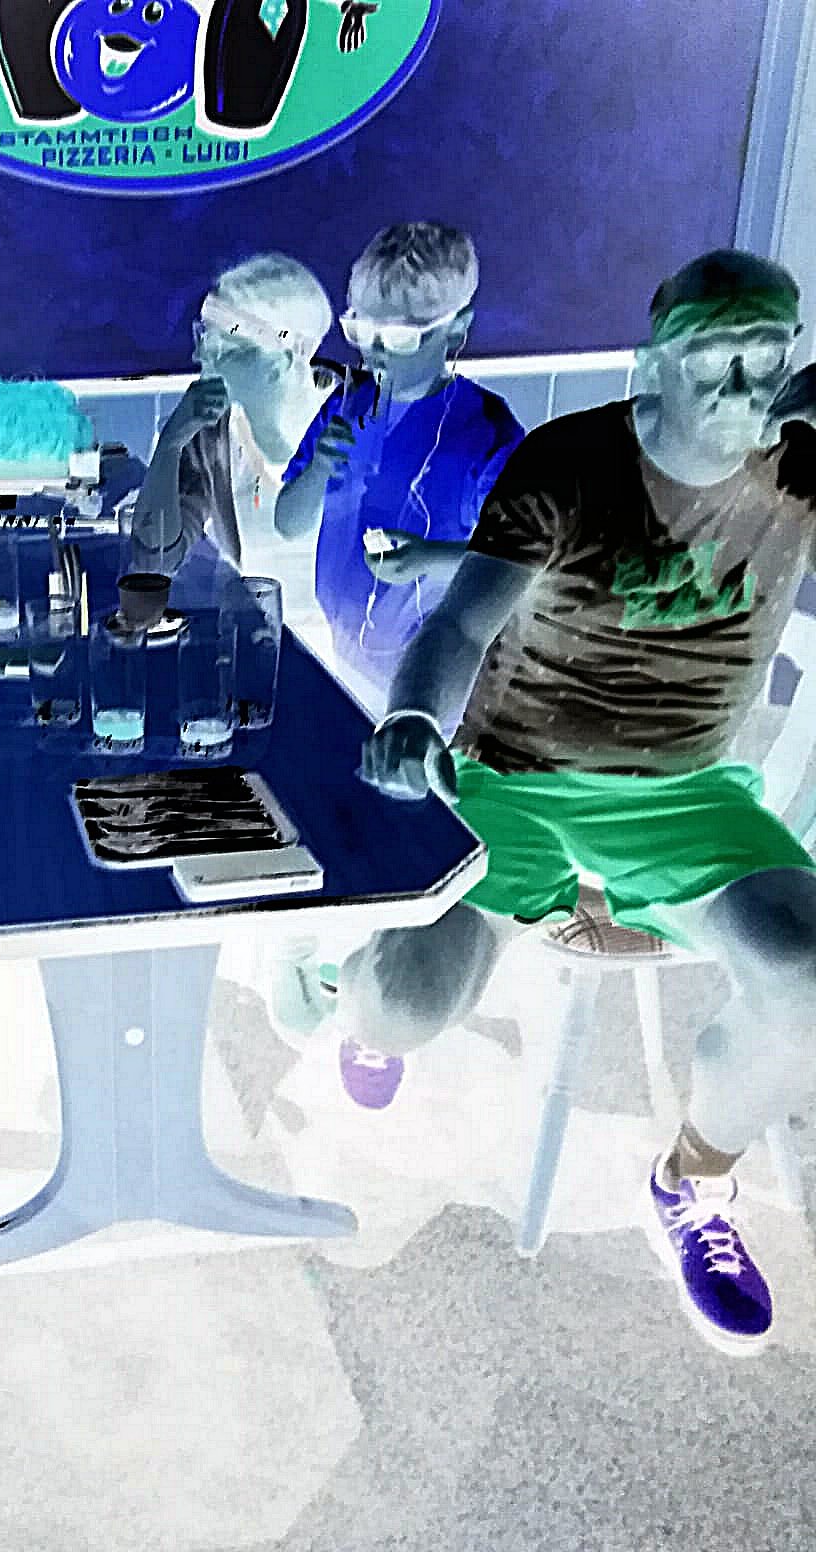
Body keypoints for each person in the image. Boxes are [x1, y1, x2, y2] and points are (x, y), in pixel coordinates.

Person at [339, 250, 816, 1357]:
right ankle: (340, 980)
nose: (739, 388)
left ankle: (691, 1183)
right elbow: (459, 626)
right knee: (401, 1007)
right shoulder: (568, 461)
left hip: (685, 791)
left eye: (764, 359)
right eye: (712, 358)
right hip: (513, 769)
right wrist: (412, 720)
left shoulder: (795, 475)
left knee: (806, 968)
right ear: (653, 365)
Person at [275, 222, 525, 716]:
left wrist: (429, 557)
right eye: (361, 332)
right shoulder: (347, 406)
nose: (376, 353)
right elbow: (288, 523)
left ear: (456, 329)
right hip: (346, 656)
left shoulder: (487, 432)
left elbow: (515, 563)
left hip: (437, 674)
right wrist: (318, 468)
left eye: (399, 338)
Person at [129, 252, 337, 616]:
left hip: (350, 645)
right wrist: (170, 443)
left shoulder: (355, 418)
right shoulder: (211, 431)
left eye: (221, 346)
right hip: (261, 634)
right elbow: (155, 562)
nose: (199, 354)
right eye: (203, 335)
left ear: (281, 363)